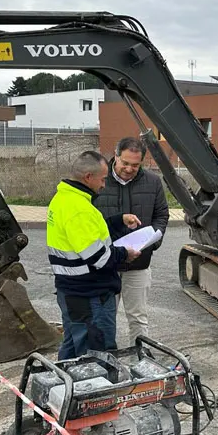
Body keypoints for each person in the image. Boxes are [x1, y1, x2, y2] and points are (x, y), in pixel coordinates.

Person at [47, 150, 141, 359]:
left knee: (72, 350)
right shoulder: (79, 208)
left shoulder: (63, 198)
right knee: (98, 355)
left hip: (71, 291)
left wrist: (118, 220)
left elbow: (86, 237)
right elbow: (99, 258)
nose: (104, 184)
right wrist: (125, 253)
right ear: (89, 177)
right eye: (103, 179)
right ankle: (96, 389)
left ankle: (66, 389)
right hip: (90, 296)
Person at [92, 137, 169, 345]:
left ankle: (141, 357)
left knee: (138, 318)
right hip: (106, 265)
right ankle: (105, 361)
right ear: (116, 156)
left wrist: (153, 241)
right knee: (103, 319)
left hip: (139, 264)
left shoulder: (153, 182)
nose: (129, 168)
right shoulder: (98, 180)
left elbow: (161, 215)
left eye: (135, 165)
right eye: (125, 163)